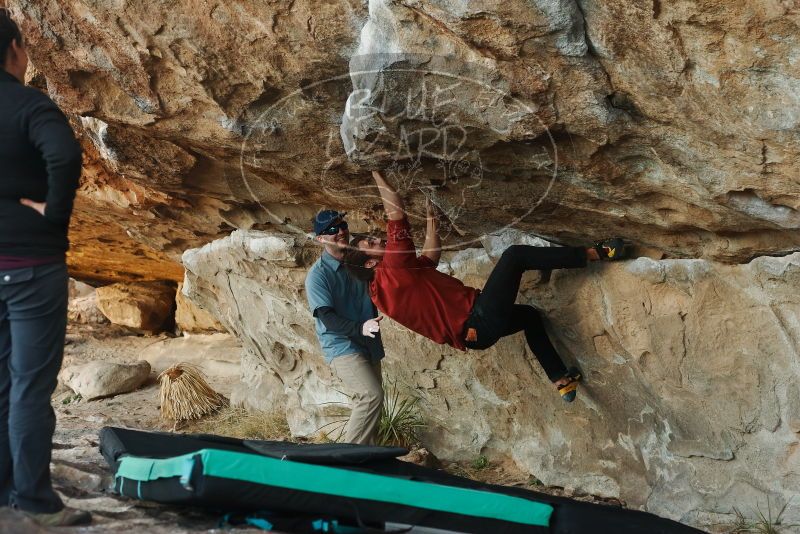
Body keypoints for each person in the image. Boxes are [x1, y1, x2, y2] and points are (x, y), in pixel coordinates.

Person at [343, 171, 628, 402]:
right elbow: (395, 212)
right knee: (515, 256)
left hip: (475, 336)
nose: (378, 240)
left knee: (529, 316)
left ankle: (561, 380)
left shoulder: (385, 289)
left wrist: (431, 223)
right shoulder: (392, 271)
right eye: (371, 244)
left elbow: (429, 259)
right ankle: (595, 253)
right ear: (369, 264)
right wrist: (374, 169)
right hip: (478, 318)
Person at [0, 9, 91, 527]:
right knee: (29, 385)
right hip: (31, 267)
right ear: (14, 47)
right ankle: (34, 501)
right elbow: (64, 157)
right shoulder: (30, 105)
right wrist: (52, 216)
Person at [305, 210, 386, 444]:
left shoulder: (361, 258)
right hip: (341, 345)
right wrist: (361, 327)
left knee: (372, 407)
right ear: (321, 238)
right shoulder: (318, 276)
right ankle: (346, 465)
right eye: (331, 230)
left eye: (342, 226)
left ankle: (371, 467)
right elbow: (327, 318)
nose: (340, 232)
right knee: (370, 396)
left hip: (368, 341)